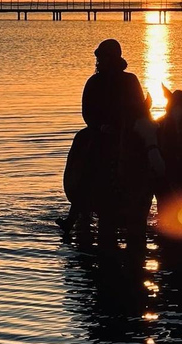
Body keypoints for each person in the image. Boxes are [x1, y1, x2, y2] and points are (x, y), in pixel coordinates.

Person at [57, 39, 159, 244]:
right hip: (102, 132)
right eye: (99, 58)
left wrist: (133, 125)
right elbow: (87, 112)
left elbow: (140, 108)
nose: (100, 62)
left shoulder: (130, 80)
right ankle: (74, 213)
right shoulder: (93, 82)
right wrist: (99, 127)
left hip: (127, 130)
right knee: (90, 157)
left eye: (103, 58)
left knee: (153, 151)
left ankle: (161, 195)